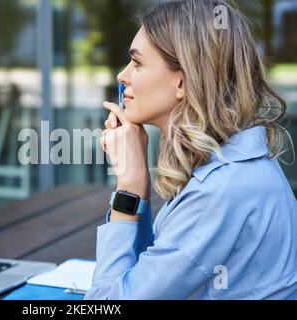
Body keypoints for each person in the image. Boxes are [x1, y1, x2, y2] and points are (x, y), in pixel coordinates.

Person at [85, 0, 297, 300]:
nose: (123, 76)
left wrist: (128, 192)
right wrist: (139, 193)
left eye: (137, 63)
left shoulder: (221, 191)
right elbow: (151, 270)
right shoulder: (228, 162)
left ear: (182, 80)